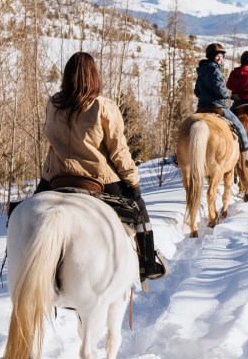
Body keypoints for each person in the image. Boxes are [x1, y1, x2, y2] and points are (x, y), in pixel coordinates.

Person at [37, 51, 167, 281]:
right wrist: (132, 181)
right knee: (138, 210)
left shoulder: (53, 103)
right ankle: (147, 263)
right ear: (93, 76)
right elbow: (118, 149)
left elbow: (48, 134)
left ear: (67, 76)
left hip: (56, 177)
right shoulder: (103, 105)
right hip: (98, 179)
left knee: (22, 212)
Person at [195, 42, 248, 168]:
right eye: (218, 55)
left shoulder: (201, 71)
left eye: (222, 55)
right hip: (218, 107)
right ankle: (247, 156)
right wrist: (230, 95)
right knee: (239, 126)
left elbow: (196, 91)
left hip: (201, 107)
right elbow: (221, 91)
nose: (220, 58)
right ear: (211, 56)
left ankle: (177, 156)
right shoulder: (215, 70)